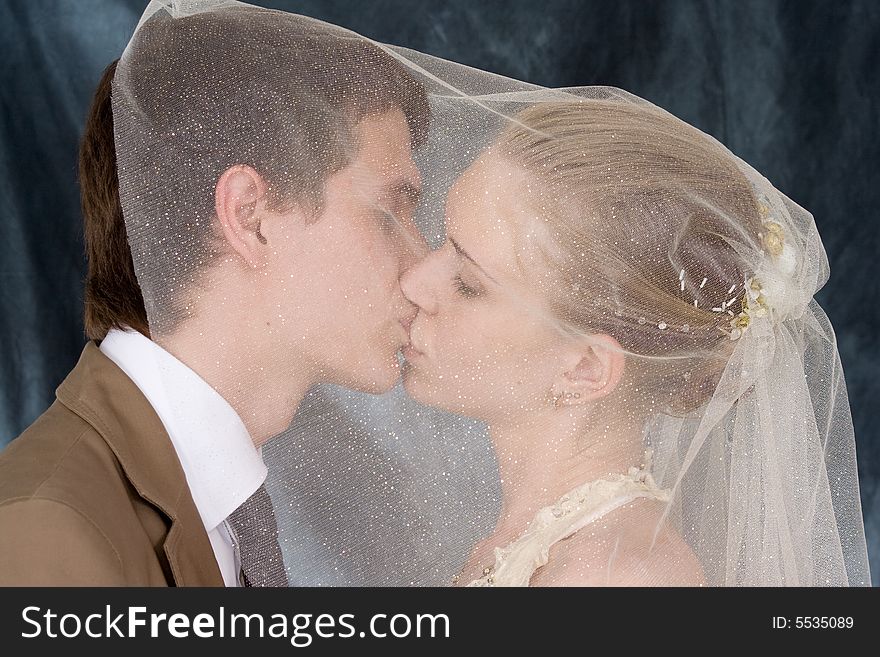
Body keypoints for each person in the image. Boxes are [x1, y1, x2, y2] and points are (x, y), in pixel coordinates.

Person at [0, 0, 429, 586]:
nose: (424, 265)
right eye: (389, 212)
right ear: (251, 217)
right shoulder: (47, 531)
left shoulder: (208, 496)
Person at [398, 92, 872, 586]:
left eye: (468, 283)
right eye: (441, 243)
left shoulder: (616, 577)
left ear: (585, 367)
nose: (413, 283)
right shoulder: (532, 548)